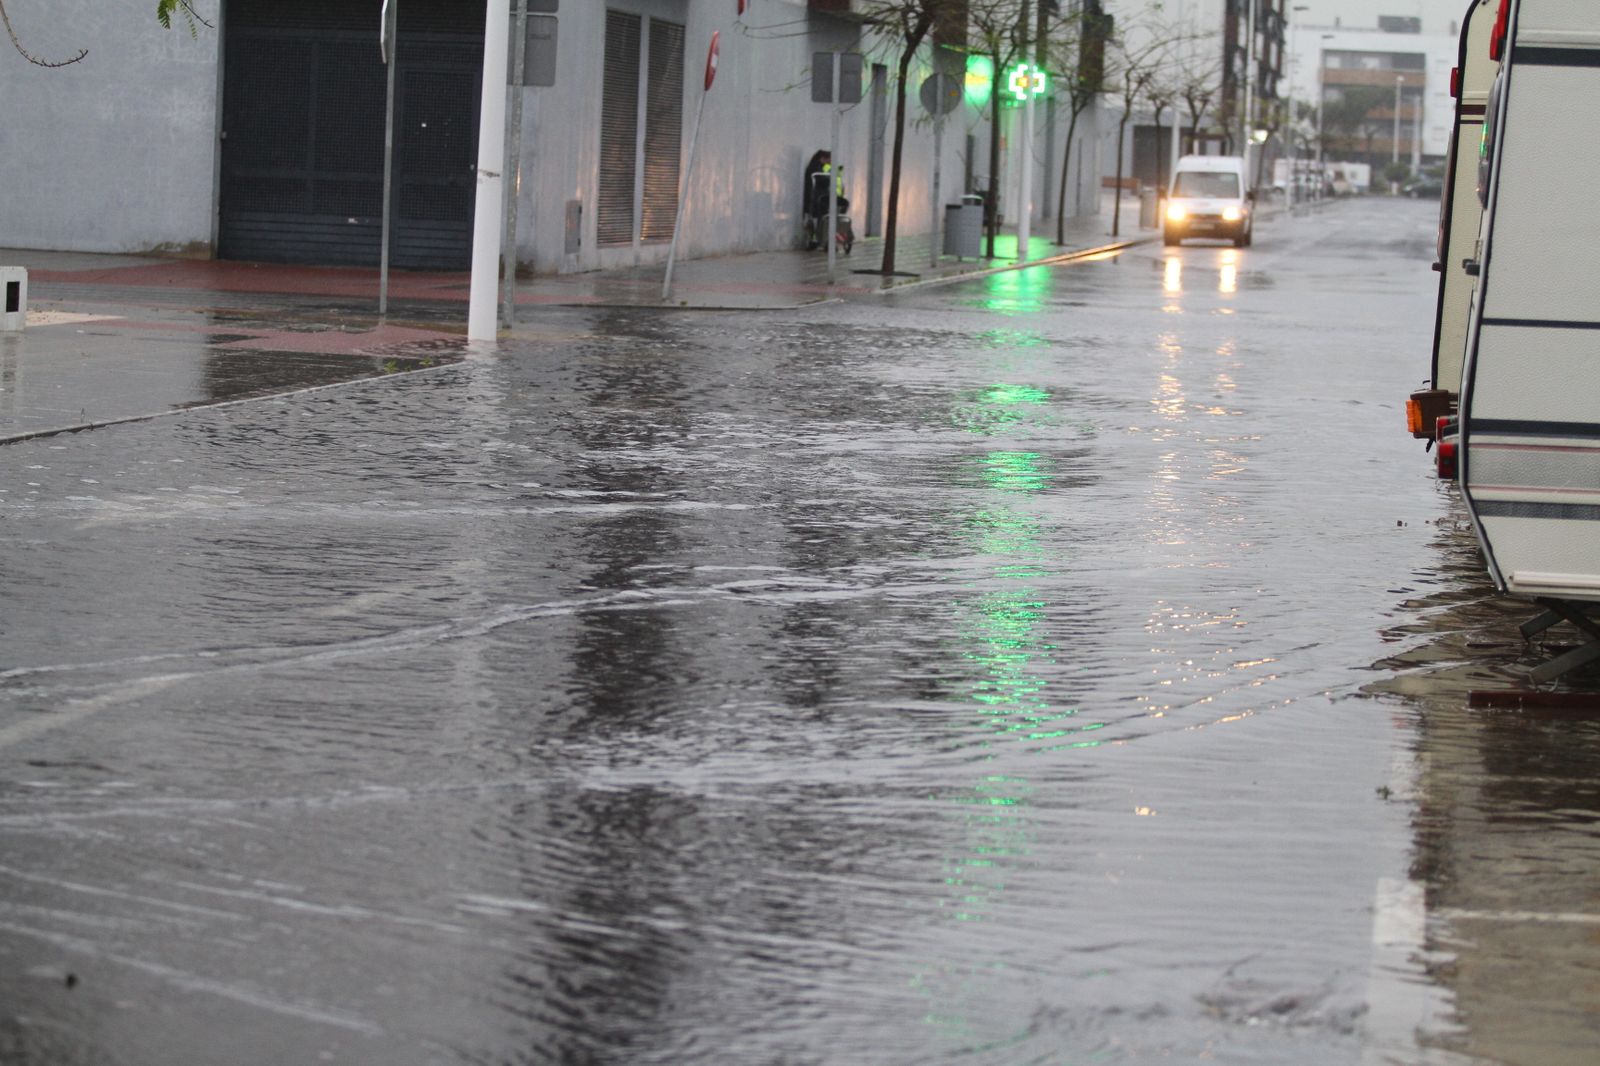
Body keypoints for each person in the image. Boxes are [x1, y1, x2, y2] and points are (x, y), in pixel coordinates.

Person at [802, 149, 849, 248]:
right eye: (830, 159)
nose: (831, 161)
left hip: (825, 196)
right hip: (818, 198)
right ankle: (824, 237)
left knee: (842, 205)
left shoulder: (823, 168)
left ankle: (836, 233)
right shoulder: (815, 168)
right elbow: (821, 181)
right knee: (825, 213)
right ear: (823, 158)